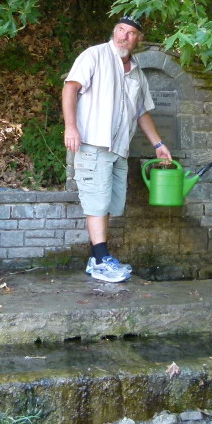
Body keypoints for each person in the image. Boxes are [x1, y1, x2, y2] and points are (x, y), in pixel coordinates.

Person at [62, 16, 172, 282]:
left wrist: (158, 144)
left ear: (138, 39)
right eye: (121, 30)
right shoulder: (94, 56)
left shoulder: (136, 72)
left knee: (108, 203)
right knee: (96, 203)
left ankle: (96, 258)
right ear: (114, 32)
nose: (124, 36)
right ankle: (101, 261)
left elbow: (142, 112)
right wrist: (71, 126)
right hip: (93, 144)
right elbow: (70, 88)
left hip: (118, 149)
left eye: (131, 32)